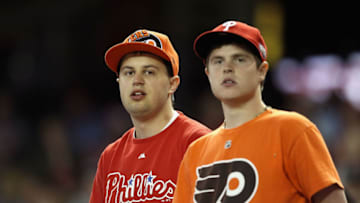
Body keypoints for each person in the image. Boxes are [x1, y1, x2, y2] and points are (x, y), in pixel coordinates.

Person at [173, 20, 347, 203]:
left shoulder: (292, 129)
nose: (227, 68)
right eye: (218, 61)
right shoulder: (196, 152)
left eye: (239, 59)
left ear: (262, 71)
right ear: (208, 73)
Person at [89, 29, 211, 203]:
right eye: (129, 72)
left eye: (149, 72)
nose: (137, 80)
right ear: (119, 83)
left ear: (172, 84)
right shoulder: (110, 157)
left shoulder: (198, 143)